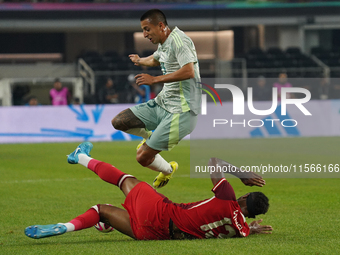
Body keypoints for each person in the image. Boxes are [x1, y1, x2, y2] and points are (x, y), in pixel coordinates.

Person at [25, 142, 272, 240]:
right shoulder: (243, 231)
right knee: (102, 211)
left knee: (125, 179)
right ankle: (69, 226)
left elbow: (214, 161)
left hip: (163, 214)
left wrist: (242, 174)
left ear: (244, 196)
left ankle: (79, 157)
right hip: (155, 235)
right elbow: (242, 226)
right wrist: (253, 228)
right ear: (250, 217)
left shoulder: (229, 197)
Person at [111, 9, 202, 188]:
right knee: (119, 121)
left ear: (161, 25)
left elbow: (188, 71)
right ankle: (150, 136)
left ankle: (168, 170)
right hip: (163, 103)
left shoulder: (180, 41)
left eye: (147, 29)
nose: (144, 34)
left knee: (142, 157)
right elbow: (157, 59)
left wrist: (155, 79)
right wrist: (140, 60)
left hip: (182, 111)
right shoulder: (164, 42)